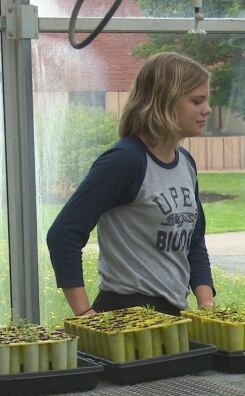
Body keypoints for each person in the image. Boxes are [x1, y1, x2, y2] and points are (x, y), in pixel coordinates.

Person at [47, 52, 216, 316]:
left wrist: (207, 307)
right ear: (165, 102)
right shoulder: (125, 160)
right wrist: (84, 314)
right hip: (126, 314)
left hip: (174, 315)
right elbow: (63, 234)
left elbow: (193, 241)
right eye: (197, 101)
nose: (207, 109)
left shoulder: (185, 162)